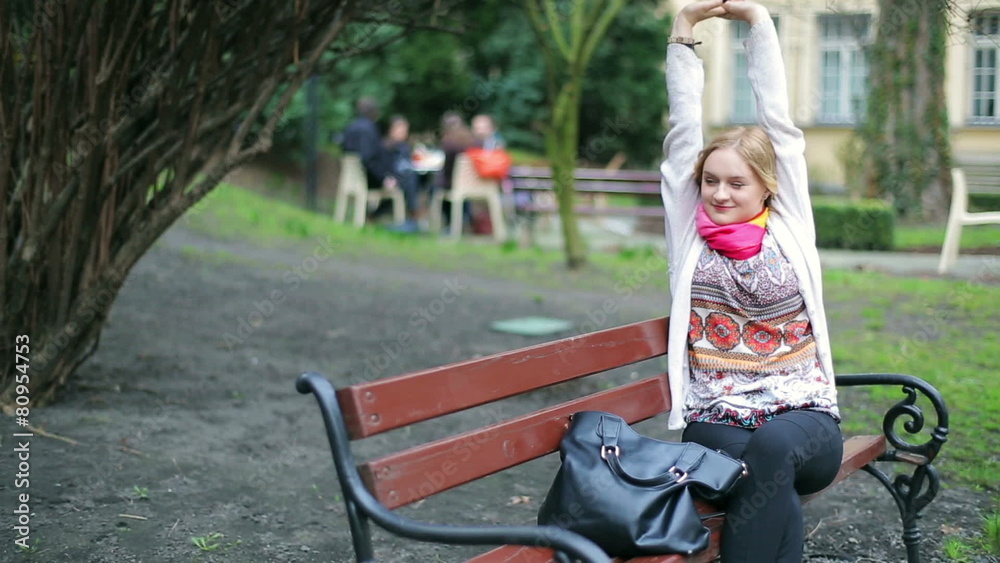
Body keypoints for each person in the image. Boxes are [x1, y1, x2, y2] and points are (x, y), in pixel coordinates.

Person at [660, 2, 842, 562]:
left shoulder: (791, 229)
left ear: (767, 187)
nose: (719, 194)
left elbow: (782, 128)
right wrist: (683, 32)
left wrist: (760, 25)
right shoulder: (690, 239)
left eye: (736, 183)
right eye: (710, 181)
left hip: (804, 419)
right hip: (718, 423)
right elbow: (683, 134)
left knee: (773, 448)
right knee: (764, 467)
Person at [436, 111, 477, 229]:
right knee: (459, 186)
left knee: (436, 187)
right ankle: (466, 217)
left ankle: (448, 222)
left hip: (455, 184)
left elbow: (447, 169)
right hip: (474, 183)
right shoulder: (472, 141)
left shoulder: (449, 144)